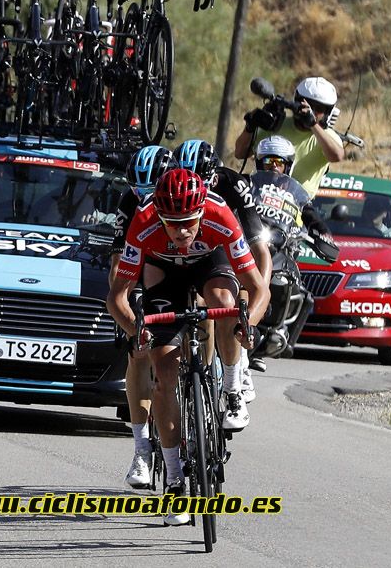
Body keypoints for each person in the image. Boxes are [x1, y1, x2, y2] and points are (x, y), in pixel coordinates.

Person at [107, 169, 270, 525]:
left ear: (201, 212)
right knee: (164, 374)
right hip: (163, 273)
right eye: (172, 223)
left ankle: (230, 389)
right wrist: (138, 330)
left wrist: (249, 325)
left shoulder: (220, 214)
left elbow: (259, 289)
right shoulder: (144, 222)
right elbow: (116, 297)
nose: (181, 231)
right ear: (159, 216)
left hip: (209, 265)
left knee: (225, 300)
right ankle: (176, 481)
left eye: (189, 222)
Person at [173, 139, 269, 398]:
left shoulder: (234, 185)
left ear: (214, 177)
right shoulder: (170, 188)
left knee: (228, 296)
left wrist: (256, 306)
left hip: (225, 243)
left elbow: (260, 250)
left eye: (202, 184)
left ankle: (236, 370)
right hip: (184, 247)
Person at [109, 145, 175, 490]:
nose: (144, 198)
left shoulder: (191, 197)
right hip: (146, 272)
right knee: (138, 352)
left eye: (151, 191)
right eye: (138, 191)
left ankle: (210, 382)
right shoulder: (129, 204)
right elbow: (119, 265)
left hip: (185, 268)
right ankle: (142, 449)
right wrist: (130, 315)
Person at [251, 136, 333, 358]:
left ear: (288, 165)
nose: (274, 168)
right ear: (259, 164)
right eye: (268, 163)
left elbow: (310, 214)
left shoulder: (296, 195)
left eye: (279, 163)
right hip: (253, 244)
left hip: (282, 248)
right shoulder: (249, 186)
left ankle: (284, 334)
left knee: (301, 291)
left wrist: (323, 233)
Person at [233, 76, 345, 196]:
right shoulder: (277, 125)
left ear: (327, 113)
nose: (311, 111)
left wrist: (313, 124)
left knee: (312, 216)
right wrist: (250, 127)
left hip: (299, 206)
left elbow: (337, 156)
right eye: (308, 105)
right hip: (261, 198)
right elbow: (240, 153)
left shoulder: (326, 136)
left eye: (318, 109)